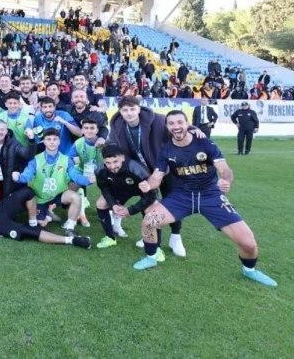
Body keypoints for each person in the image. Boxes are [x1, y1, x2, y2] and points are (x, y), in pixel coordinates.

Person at [133, 111, 277, 287]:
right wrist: (148, 185)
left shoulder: (204, 143)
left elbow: (225, 169)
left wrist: (226, 180)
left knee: (249, 243)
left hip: (211, 196)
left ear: (187, 124)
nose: (176, 127)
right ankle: (151, 257)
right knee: (149, 221)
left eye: (179, 122)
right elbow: (157, 176)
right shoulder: (166, 151)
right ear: (167, 127)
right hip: (182, 196)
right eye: (171, 123)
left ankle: (250, 270)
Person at [107, 96, 192, 257]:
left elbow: (176, 127)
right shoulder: (117, 126)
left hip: (166, 169)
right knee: (148, 203)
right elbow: (111, 145)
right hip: (142, 173)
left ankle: (175, 237)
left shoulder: (157, 120)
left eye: (132, 109)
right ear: (120, 112)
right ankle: (149, 236)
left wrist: (194, 129)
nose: (129, 113)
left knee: (172, 202)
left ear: (139, 109)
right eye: (125, 110)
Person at [13, 128, 94, 233]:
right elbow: (27, 175)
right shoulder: (36, 159)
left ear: (59, 141)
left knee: (76, 197)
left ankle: (70, 228)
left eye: (55, 139)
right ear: (44, 141)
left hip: (58, 195)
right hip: (40, 197)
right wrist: (18, 177)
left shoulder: (66, 160)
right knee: (41, 224)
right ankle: (48, 216)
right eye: (49, 139)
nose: (52, 142)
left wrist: (87, 180)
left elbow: (75, 176)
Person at [94, 145, 157, 249]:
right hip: (121, 189)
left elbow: (151, 196)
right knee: (101, 203)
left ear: (122, 158)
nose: (112, 166)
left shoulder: (137, 169)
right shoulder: (100, 170)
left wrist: (130, 210)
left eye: (115, 161)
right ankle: (110, 238)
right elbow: (104, 189)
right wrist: (113, 204)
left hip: (141, 189)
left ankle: (151, 242)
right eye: (108, 163)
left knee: (152, 209)